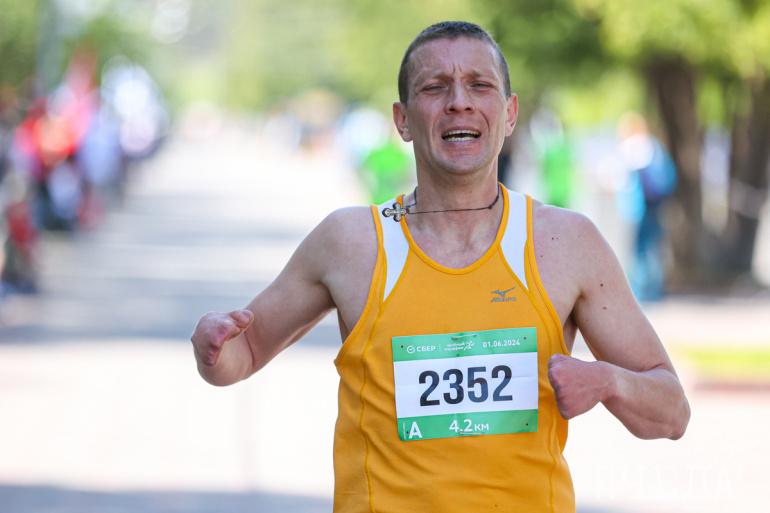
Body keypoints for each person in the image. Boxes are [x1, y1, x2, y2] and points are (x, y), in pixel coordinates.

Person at [191, 21, 690, 513]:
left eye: (480, 85)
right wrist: (213, 347)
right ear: (402, 120)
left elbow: (671, 412)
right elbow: (243, 353)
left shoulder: (566, 243)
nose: (459, 102)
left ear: (510, 113)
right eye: (434, 87)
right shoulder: (350, 243)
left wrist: (608, 381)